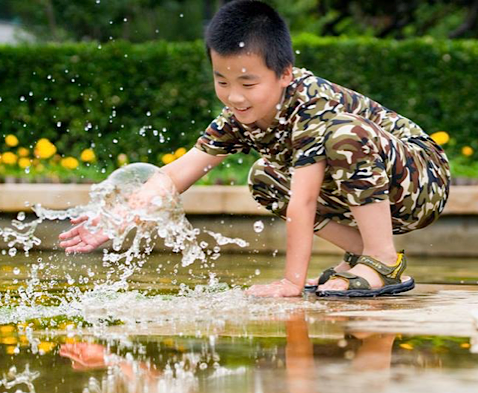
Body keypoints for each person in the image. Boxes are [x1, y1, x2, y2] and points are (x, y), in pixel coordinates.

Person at [59, 0, 450, 298]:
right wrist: (119, 218)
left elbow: (305, 201)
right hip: (383, 193)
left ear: (284, 74)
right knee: (264, 178)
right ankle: (362, 254)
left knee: (343, 135)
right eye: (222, 81)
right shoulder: (239, 116)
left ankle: (382, 258)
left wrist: (292, 282)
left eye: (248, 83)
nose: (235, 97)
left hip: (422, 180)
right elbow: (180, 171)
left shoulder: (310, 102)